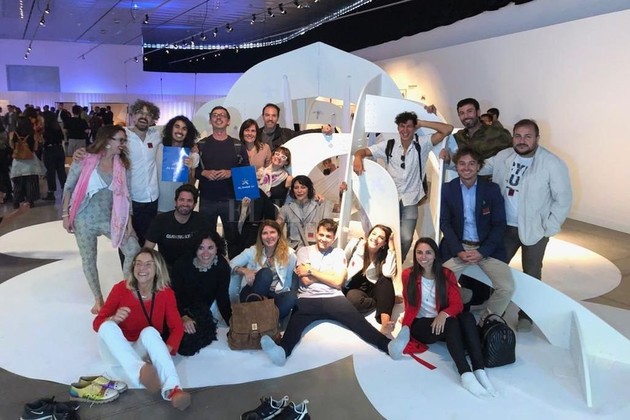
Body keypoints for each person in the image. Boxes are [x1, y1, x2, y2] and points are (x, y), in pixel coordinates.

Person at [260, 219, 410, 366]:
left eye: (328, 236)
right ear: (316, 234)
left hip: (334, 297)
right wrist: (329, 276)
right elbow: (306, 281)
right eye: (321, 234)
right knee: (294, 326)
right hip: (307, 297)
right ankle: (282, 352)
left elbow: (338, 282)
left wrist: (311, 270)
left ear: (334, 238)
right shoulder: (304, 251)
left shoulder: (339, 253)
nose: (324, 239)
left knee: (360, 323)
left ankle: (389, 346)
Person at [480, 119, 572, 331]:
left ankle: (526, 315)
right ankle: (497, 311)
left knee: (531, 273)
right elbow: (479, 166)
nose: (522, 141)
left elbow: (563, 199)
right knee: (498, 270)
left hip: (535, 229)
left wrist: (549, 227)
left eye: (528, 136)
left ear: (537, 138)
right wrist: (450, 160)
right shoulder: (503, 156)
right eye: (518, 136)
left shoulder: (552, 163)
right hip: (505, 227)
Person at [93, 248, 191, 410]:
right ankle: (140, 372)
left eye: (148, 264)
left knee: (150, 332)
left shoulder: (166, 293)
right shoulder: (120, 289)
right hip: (116, 351)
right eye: (138, 264)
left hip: (141, 353)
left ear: (157, 269)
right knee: (107, 326)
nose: (141, 268)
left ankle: (174, 389)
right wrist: (113, 319)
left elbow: (177, 327)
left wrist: (164, 351)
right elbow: (97, 323)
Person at [402, 238, 496, 398]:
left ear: (435, 255)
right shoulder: (407, 275)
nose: (423, 257)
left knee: (467, 317)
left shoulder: (446, 274)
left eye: (428, 252)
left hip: (442, 321)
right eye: (419, 252)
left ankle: (479, 369)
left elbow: (457, 303)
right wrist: (404, 326)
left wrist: (443, 314)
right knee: (452, 323)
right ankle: (465, 374)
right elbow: (408, 303)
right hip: (421, 324)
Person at [353, 110, 453, 260]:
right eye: (402, 126)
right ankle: (381, 263)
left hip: (410, 199)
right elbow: (363, 151)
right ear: (398, 128)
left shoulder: (423, 143)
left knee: (406, 238)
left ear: (414, 128)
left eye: (409, 126)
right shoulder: (389, 145)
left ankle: (397, 263)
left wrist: (421, 123)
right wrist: (357, 157)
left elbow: (447, 129)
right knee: (383, 235)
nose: (405, 130)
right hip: (390, 198)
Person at [62, 125, 140, 314]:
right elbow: (69, 187)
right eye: (120, 140)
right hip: (83, 218)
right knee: (89, 258)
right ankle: (98, 299)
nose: (123, 144)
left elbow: (127, 195)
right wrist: (65, 214)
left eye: (124, 140)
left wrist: (129, 222)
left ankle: (127, 292)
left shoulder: (123, 165)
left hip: (111, 217)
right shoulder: (84, 159)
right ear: (107, 141)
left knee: (133, 249)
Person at [440, 148, 514, 321]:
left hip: (487, 248)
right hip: (459, 247)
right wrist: (459, 250)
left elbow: (499, 224)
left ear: (479, 166)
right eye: (462, 163)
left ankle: (487, 321)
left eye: (471, 163)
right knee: (439, 284)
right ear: (456, 166)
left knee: (507, 288)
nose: (466, 168)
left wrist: (482, 251)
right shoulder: (447, 189)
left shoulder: (491, 189)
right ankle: (457, 309)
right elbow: (445, 223)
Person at [196, 106, 250, 258]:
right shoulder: (201, 145)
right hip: (207, 200)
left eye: (222, 115)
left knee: (234, 239)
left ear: (228, 121)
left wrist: (231, 173)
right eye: (215, 115)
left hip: (231, 200)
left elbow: (246, 171)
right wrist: (204, 173)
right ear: (210, 120)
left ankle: (234, 268)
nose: (218, 117)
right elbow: (193, 171)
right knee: (206, 239)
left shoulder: (237, 145)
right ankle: (210, 267)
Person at [171, 231, 231, 356]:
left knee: (189, 343)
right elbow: (174, 295)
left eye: (210, 248)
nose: (205, 253)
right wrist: (183, 316)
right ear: (195, 248)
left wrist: (231, 322)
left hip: (202, 311)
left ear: (217, 248)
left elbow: (223, 298)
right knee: (178, 340)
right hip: (178, 309)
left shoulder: (222, 266)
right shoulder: (182, 264)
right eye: (201, 248)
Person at [231, 220, 298, 320]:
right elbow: (230, 264)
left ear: (279, 235)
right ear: (261, 237)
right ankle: (260, 320)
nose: (269, 236)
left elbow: (288, 280)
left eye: (272, 232)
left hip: (275, 294)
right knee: (266, 273)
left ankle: (261, 322)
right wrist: (245, 271)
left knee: (292, 297)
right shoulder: (252, 251)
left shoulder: (290, 254)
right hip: (252, 292)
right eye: (265, 233)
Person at [344, 225, 397, 336]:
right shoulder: (355, 244)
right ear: (369, 235)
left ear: (384, 243)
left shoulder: (384, 255)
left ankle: (385, 323)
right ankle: (385, 299)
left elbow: (388, 273)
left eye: (381, 237)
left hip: (373, 288)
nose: (375, 238)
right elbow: (342, 261)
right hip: (354, 288)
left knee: (386, 279)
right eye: (373, 234)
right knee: (354, 302)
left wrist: (391, 249)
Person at [144, 184, 211, 272]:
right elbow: (147, 249)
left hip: (194, 270)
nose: (185, 204)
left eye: (189, 201)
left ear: (194, 204)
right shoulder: (160, 221)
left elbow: (213, 247)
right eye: (181, 200)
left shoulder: (202, 220)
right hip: (166, 271)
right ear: (175, 201)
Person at [156, 115, 199, 213]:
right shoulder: (159, 148)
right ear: (171, 129)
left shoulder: (191, 154)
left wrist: (190, 169)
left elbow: (191, 185)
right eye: (177, 127)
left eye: (184, 129)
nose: (180, 131)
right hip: (157, 204)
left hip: (180, 207)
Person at [277, 175, 334, 249]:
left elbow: (329, 229)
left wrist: (341, 193)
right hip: (293, 249)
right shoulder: (286, 208)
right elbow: (277, 228)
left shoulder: (321, 205)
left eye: (303, 187)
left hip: (314, 249)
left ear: (309, 189)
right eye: (296, 188)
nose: (299, 191)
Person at [9, 116, 45, 209]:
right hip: (30, 161)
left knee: (17, 183)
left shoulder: (13, 134)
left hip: (18, 161)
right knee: (30, 182)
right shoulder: (33, 134)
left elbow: (12, 147)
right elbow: (35, 148)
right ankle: (30, 201)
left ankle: (16, 202)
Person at [41, 114, 67, 201]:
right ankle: (65, 189)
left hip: (50, 150)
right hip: (59, 149)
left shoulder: (46, 129)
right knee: (61, 171)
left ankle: (51, 192)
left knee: (50, 172)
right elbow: (62, 138)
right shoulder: (58, 128)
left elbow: (45, 141)